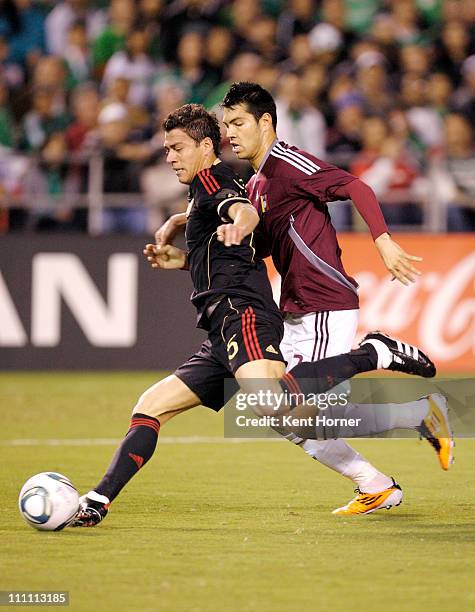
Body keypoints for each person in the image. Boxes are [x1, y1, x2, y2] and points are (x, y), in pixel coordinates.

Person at [71, 105, 449, 528]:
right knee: (152, 407)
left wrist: (241, 221)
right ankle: (98, 500)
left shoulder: (217, 181)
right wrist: (183, 257)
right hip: (219, 329)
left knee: (279, 405)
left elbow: (241, 210)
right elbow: (227, 248)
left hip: (243, 314)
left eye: (177, 148)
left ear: (205, 146)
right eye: (165, 150)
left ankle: (373, 354)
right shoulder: (202, 192)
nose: (170, 157)